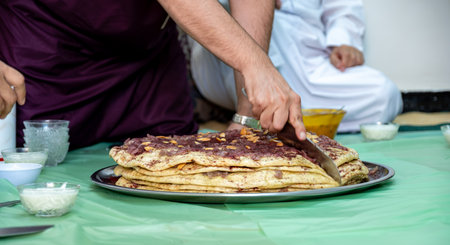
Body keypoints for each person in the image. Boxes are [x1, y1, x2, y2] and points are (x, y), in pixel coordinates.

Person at [0, 0, 305, 150]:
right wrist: (254, 64)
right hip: (46, 49)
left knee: (176, 175)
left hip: (148, 65)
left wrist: (246, 112)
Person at [189, 0, 403, 133]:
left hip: (305, 55)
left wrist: (344, 40)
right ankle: (250, 115)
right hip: (235, 45)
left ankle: (281, 119)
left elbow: (341, 7)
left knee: (384, 95)